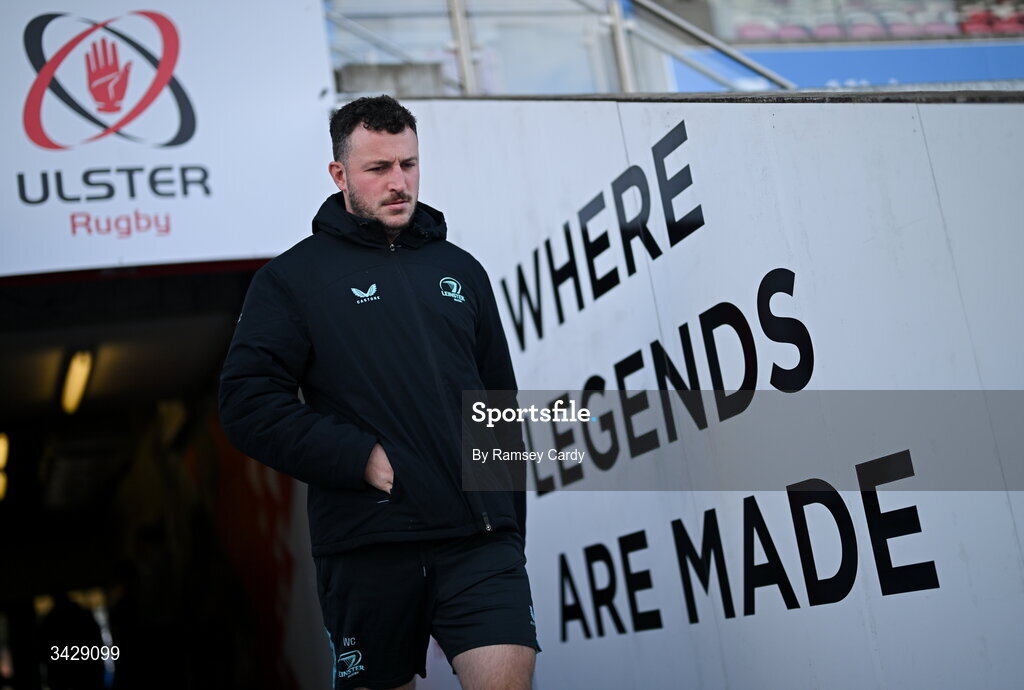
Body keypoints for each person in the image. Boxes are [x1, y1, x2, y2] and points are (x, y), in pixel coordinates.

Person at [219, 95, 538, 690]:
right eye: (378, 169)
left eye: (409, 164)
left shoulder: (462, 270)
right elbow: (245, 403)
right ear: (339, 174)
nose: (399, 183)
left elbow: (498, 404)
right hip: (367, 545)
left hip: (478, 543)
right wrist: (357, 457)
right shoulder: (291, 280)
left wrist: (509, 525)